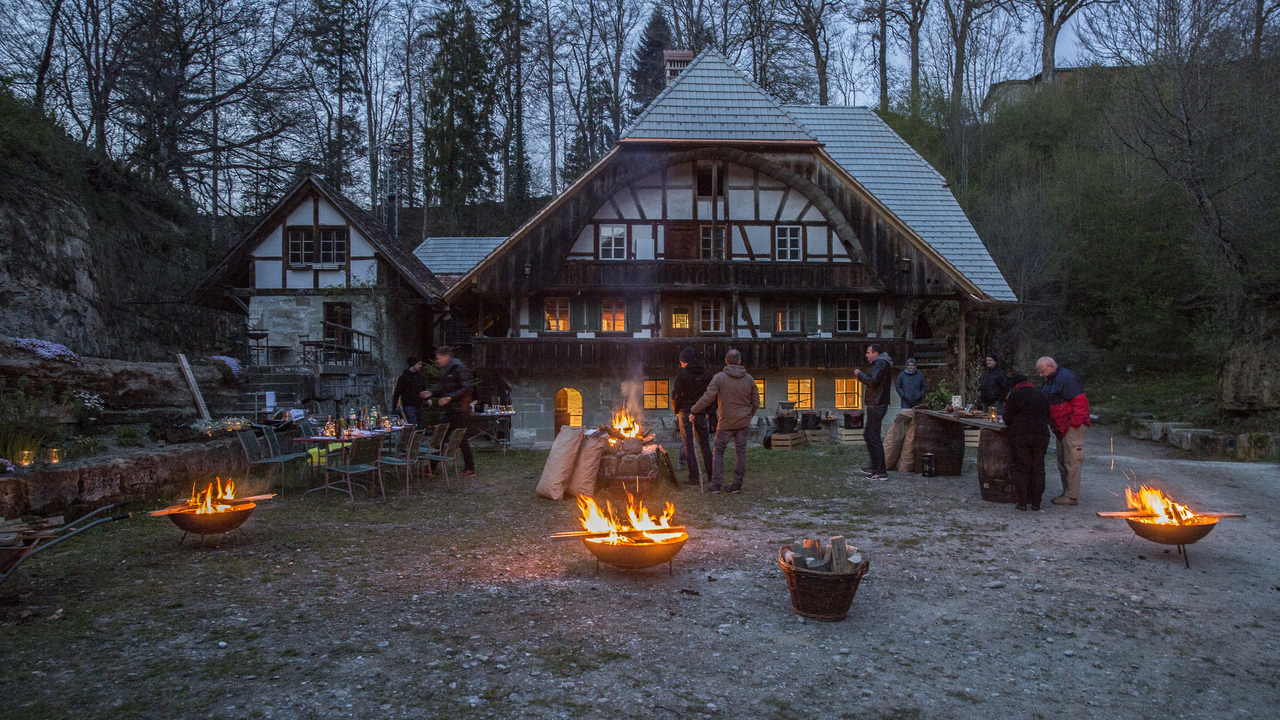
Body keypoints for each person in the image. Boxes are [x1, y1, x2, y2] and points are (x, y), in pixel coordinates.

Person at [691, 349, 760, 494]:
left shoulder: (719, 378)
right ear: (740, 361)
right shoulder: (749, 379)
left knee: (719, 452)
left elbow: (708, 397)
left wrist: (694, 410)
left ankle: (716, 485)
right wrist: (748, 416)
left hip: (726, 423)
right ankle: (737, 485)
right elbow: (756, 402)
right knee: (740, 452)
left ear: (726, 361)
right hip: (742, 422)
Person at [1036, 356, 1090, 506]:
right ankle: (1067, 492)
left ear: (1050, 367)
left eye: (1041, 371)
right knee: (1062, 461)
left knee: (1072, 461)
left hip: (1072, 427)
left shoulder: (1067, 379)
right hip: (1061, 427)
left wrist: (1072, 424)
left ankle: (1072, 496)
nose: (1040, 375)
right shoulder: (1050, 380)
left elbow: (1081, 405)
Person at [1003, 372, 1051, 511]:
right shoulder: (1040, 394)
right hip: (1041, 434)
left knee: (1021, 469)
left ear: (1015, 385)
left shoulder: (1015, 395)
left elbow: (1007, 419)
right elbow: (1048, 415)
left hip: (1020, 435)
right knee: (1038, 469)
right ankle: (1036, 503)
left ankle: (1022, 502)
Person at [424, 346, 475, 477]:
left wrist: (450, 398)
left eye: (439, 358)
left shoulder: (459, 368)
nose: (438, 361)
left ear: (446, 357)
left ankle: (470, 468)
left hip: (460, 410)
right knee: (439, 436)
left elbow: (466, 388)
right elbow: (445, 389)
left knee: (461, 439)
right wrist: (432, 393)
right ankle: (431, 467)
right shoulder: (446, 371)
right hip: (450, 410)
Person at [670, 347, 715, 485]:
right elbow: (713, 394)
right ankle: (711, 474)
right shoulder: (707, 374)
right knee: (705, 443)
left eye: (681, 362)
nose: (681, 365)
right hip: (701, 412)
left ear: (684, 361)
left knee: (688, 444)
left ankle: (694, 476)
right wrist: (709, 412)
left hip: (685, 412)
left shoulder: (682, 375)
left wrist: (676, 410)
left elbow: (675, 395)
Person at [853, 344, 893, 480]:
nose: (866, 355)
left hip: (877, 404)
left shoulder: (880, 363)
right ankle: (875, 467)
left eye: (868, 352)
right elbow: (874, 381)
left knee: (874, 437)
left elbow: (873, 380)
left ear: (875, 354)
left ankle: (881, 471)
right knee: (868, 435)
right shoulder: (881, 363)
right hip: (875, 404)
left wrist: (860, 375)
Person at [391, 357, 428, 427]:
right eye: (419, 364)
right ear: (413, 365)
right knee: (414, 425)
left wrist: (427, 398)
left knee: (419, 425)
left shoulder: (419, 376)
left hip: (418, 404)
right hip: (408, 404)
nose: (420, 366)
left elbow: (423, 389)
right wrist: (394, 407)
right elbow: (397, 392)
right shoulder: (404, 377)